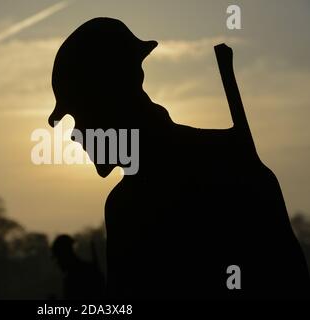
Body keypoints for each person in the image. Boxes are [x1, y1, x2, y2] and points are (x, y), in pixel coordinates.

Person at [48, 17, 310, 299]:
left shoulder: (130, 205)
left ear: (109, 105)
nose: (75, 134)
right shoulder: (229, 161)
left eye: (78, 115)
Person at [52, 235, 104, 299]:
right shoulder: (87, 270)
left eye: (58, 257)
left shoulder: (74, 277)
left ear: (65, 255)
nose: (57, 263)